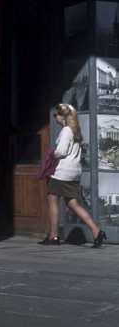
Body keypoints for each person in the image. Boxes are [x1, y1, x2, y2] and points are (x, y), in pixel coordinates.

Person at [40, 103, 107, 247]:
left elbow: (61, 151)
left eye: (56, 115)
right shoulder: (76, 130)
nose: (55, 117)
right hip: (74, 172)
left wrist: (52, 152)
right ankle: (97, 231)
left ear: (62, 116)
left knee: (52, 199)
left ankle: (53, 236)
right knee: (73, 203)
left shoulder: (65, 131)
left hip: (62, 172)